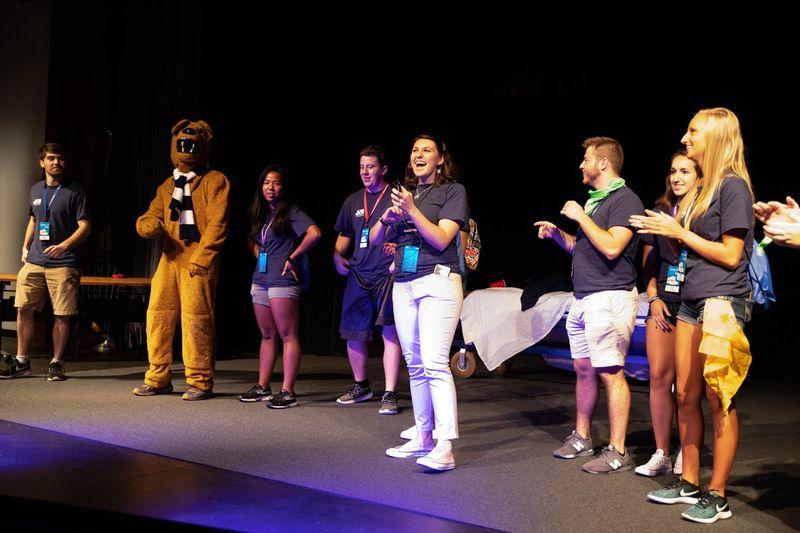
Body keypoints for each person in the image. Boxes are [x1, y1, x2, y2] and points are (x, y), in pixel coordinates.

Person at [631, 107, 754, 524]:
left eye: (693, 131)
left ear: (716, 136)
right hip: (690, 300)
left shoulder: (734, 186)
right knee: (685, 393)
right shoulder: (704, 188)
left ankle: (717, 494)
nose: (685, 137)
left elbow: (732, 254)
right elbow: (686, 250)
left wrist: (680, 233)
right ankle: (688, 481)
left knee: (721, 397)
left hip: (722, 301)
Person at [535, 136, 644, 474]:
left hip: (610, 297)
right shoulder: (597, 202)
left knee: (612, 373)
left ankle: (618, 450)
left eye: (586, 160)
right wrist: (559, 236)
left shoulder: (626, 200)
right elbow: (588, 248)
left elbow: (612, 247)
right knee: (583, 369)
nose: (581, 165)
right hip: (583, 298)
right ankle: (582, 437)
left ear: (603, 164)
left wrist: (581, 217)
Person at [371, 133, 468, 471]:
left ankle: (445, 446)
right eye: (414, 150)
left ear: (441, 158)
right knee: (414, 364)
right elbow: (377, 239)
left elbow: (441, 238)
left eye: (427, 150)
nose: (419, 154)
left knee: (435, 363)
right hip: (405, 284)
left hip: (438, 281)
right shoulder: (408, 195)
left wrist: (411, 211)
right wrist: (390, 217)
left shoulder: (452, 191)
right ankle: (423, 436)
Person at [635, 149, 701, 476]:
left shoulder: (705, 212)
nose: (677, 177)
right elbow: (648, 263)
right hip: (663, 300)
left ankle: (686, 452)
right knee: (659, 377)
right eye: (674, 171)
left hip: (693, 302)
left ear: (700, 176)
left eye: (686, 172)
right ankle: (661, 452)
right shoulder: (660, 210)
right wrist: (652, 297)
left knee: (687, 385)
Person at [1, 143, 91, 381]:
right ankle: (22, 361)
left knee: (62, 313)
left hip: (63, 262)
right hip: (34, 261)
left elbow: (85, 226)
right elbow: (34, 220)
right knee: (24, 308)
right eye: (51, 158)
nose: (56, 162)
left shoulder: (75, 191)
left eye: (60, 158)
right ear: (42, 162)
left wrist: (64, 245)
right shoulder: (35, 190)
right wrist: (24, 246)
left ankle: (56, 362)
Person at [238, 165, 321, 409]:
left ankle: (287, 391)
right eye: (266, 183)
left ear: (283, 187)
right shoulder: (261, 213)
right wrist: (259, 254)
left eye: (275, 183)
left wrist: (293, 256)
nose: (270, 188)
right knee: (267, 334)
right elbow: (251, 239)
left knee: (287, 335)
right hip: (261, 279)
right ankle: (263, 387)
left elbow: (315, 233)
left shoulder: (291, 212)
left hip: (282, 281)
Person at [333, 146, 402, 415]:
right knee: (353, 332)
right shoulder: (353, 201)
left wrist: (398, 247)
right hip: (358, 273)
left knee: (389, 332)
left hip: (387, 273)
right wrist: (337, 255)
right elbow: (345, 235)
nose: (365, 172)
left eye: (370, 167)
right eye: (362, 167)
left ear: (383, 169)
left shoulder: (397, 198)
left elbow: (412, 230)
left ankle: (390, 392)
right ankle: (361, 385)